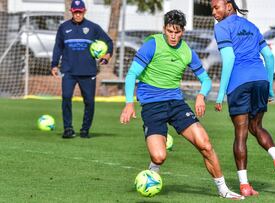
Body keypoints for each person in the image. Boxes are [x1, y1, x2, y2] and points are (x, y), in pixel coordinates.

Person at [120, 10, 244, 200]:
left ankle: (223, 190)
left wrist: (201, 96)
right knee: (159, 157)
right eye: (170, 31)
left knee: (206, 145)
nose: (173, 36)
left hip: (176, 104)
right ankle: (154, 165)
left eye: (177, 32)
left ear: (183, 31)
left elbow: (206, 80)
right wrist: (129, 103)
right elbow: (131, 75)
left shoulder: (187, 51)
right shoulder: (152, 44)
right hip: (153, 106)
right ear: (164, 29)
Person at [210, 0, 275, 197]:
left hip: (239, 82)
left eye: (216, 7)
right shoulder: (251, 26)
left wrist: (220, 95)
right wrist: (269, 87)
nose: (213, 12)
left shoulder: (221, 27)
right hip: (260, 79)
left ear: (229, 6)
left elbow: (229, 60)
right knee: (257, 127)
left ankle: (245, 185)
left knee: (241, 133)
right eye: (212, 8)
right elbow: (269, 57)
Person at [51, 0, 113, 139]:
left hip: (88, 71)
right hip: (68, 71)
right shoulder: (63, 28)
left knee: (89, 102)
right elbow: (58, 47)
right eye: (75, 12)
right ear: (71, 12)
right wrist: (54, 64)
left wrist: (108, 55)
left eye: (80, 12)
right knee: (66, 98)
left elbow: (109, 42)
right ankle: (68, 129)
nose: (78, 14)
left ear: (84, 11)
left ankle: (85, 130)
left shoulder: (93, 27)